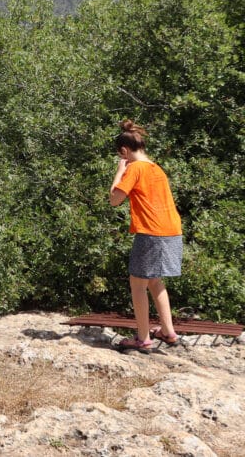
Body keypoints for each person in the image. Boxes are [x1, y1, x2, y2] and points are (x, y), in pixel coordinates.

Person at [109, 119, 183, 351]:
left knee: (137, 284)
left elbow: (114, 199)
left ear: (124, 151)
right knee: (154, 281)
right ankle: (168, 332)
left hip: (151, 232)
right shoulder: (156, 168)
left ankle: (143, 339)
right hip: (172, 230)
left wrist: (120, 171)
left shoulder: (135, 168)